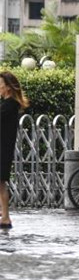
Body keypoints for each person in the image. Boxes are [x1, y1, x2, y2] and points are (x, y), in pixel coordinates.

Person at [0, 71, 29, 230]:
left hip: (3, 149)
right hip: (3, 147)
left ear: (8, 88)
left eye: (1, 85)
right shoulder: (7, 104)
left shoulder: (9, 105)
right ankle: (3, 214)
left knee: (1, 183)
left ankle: (5, 217)